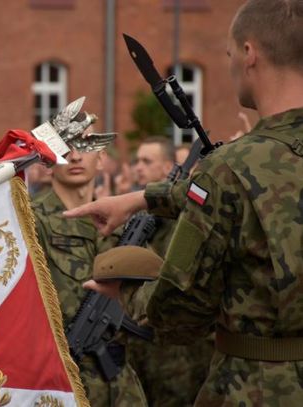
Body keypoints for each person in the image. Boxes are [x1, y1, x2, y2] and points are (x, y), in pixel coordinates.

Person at [66, 0, 303, 404]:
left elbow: (178, 314)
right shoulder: (234, 170)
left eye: (228, 54)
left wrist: (124, 294)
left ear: (249, 53)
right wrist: (142, 198)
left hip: (258, 386)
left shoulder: (230, 167)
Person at [32, 148, 147, 407]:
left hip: (120, 381)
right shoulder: (31, 219)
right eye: (65, 150)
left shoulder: (121, 219)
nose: (75, 157)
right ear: (47, 161)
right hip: (62, 382)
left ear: (102, 158)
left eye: (85, 148)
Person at [125, 137, 214, 407]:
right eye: (136, 161)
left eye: (147, 161)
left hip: (180, 354)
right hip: (141, 349)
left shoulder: (184, 221)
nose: (138, 167)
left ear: (167, 168)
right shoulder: (135, 218)